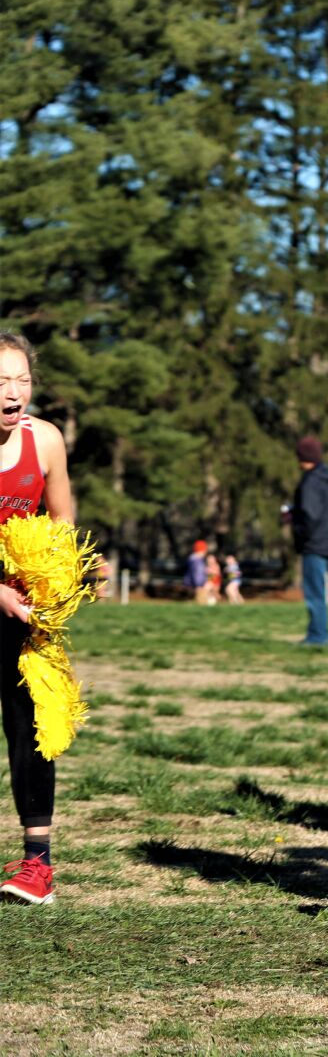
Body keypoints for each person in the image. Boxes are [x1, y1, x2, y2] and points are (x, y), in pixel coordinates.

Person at [0, 333, 77, 905]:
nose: (13, 391)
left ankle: (38, 865)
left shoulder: (45, 439)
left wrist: (58, 583)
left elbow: (62, 517)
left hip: (24, 610)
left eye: (22, 379)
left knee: (30, 726)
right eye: (2, 380)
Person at [286, 436, 328, 647]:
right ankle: (317, 633)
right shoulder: (327, 479)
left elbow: (310, 514)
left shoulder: (311, 481)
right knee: (319, 590)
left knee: (314, 592)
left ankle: (318, 636)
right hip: (327, 541)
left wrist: (295, 523)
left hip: (314, 543)